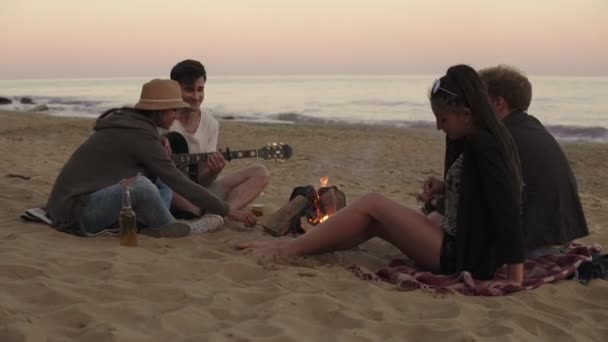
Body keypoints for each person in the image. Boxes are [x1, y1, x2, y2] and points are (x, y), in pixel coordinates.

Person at [238, 65, 526, 284]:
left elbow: (508, 209)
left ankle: (289, 249)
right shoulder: (472, 140)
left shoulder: (484, 145)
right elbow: (475, 195)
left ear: (465, 112)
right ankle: (301, 246)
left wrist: (515, 276)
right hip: (460, 242)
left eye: (443, 119)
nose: (439, 127)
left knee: (373, 202)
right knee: (373, 221)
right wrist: (442, 187)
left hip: (462, 257)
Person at [46, 79, 255, 238]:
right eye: (173, 110)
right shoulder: (138, 135)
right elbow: (179, 182)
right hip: (76, 215)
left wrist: (160, 137)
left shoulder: (135, 125)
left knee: (157, 177)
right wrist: (228, 210)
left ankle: (156, 224)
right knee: (142, 186)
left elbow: (156, 166)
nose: (176, 115)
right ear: (158, 110)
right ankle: (177, 227)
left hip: (87, 201)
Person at [426, 65, 589, 257]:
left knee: (432, 220)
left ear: (498, 103)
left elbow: (468, 214)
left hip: (526, 248)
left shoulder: (493, 142)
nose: (471, 101)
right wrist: (447, 187)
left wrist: (436, 206)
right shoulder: (532, 127)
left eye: (478, 95)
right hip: (559, 239)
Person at [164, 59, 270, 218]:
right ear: (175, 89)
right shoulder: (164, 119)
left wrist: (213, 172)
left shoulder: (210, 124)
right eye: (188, 90)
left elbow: (201, 180)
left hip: (197, 192)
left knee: (260, 173)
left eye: (200, 89)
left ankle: (221, 214)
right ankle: (205, 212)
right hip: (169, 192)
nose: (196, 96)